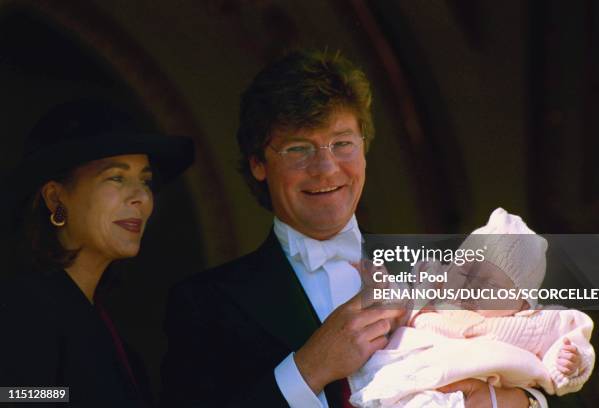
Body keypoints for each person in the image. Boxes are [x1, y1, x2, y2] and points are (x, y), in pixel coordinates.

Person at [161, 50, 550, 407]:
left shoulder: (452, 269)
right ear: (258, 164)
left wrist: (510, 400)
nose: (326, 168)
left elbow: (547, 358)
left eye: (342, 143)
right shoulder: (203, 305)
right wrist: (308, 369)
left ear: (364, 150)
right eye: (299, 148)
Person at [0, 99, 194, 407]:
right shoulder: (23, 307)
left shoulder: (112, 335)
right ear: (55, 198)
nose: (141, 197)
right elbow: (11, 398)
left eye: (146, 181)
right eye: (116, 177)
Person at [349, 208, 595, 407]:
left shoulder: (532, 323)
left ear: (522, 303)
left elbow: (568, 340)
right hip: (408, 382)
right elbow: (398, 300)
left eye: (489, 284)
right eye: (464, 271)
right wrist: (381, 284)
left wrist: (570, 363)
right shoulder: (430, 294)